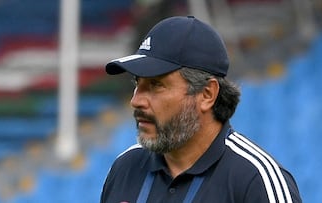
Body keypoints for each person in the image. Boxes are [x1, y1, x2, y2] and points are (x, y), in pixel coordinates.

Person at [101, 16, 302, 203]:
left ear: (207, 94)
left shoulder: (255, 181)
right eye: (137, 83)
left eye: (156, 85)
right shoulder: (125, 168)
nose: (136, 100)